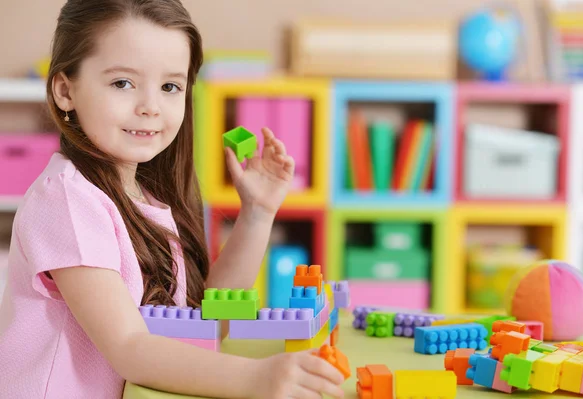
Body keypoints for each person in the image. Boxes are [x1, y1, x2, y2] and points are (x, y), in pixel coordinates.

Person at [0, 0, 345, 398]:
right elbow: (129, 347)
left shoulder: (147, 199)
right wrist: (255, 378)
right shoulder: (66, 200)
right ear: (65, 90)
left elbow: (207, 322)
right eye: (122, 83)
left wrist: (257, 212)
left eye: (170, 87)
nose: (150, 107)